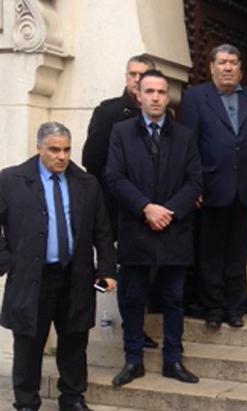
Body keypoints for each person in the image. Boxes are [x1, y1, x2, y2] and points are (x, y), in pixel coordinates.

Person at [0, 121, 116, 411]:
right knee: (28, 344)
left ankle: (73, 397)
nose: (62, 156)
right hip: (32, 278)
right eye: (54, 150)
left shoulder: (86, 183)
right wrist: (8, 261)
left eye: (66, 149)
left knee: (75, 340)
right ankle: (26, 402)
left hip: (74, 276)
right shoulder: (11, 180)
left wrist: (106, 270)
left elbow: (102, 230)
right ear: (38, 148)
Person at [106, 70, 202, 386]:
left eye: (162, 92)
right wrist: (146, 208)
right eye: (150, 91)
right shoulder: (121, 132)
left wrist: (168, 211)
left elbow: (194, 182)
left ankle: (173, 360)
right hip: (136, 228)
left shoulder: (185, 136)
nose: (156, 97)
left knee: (173, 299)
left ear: (168, 97)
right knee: (133, 298)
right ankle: (133, 361)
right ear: (139, 95)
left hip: (174, 230)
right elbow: (115, 178)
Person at [179, 43, 247, 330]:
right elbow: (188, 145)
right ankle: (213, 308)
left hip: (245, 189)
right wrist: (193, 186)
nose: (228, 67)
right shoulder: (195, 98)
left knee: (238, 252)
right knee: (211, 253)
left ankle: (235, 307)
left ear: (240, 68)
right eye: (222, 62)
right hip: (210, 189)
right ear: (211, 67)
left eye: (233, 62)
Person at [82, 54, 160, 350]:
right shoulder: (109, 112)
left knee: (148, 269)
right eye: (132, 74)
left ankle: (137, 324)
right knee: (125, 270)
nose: (137, 80)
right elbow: (92, 160)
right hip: (118, 209)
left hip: (152, 209)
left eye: (143, 74)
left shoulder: (162, 115)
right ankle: (132, 329)